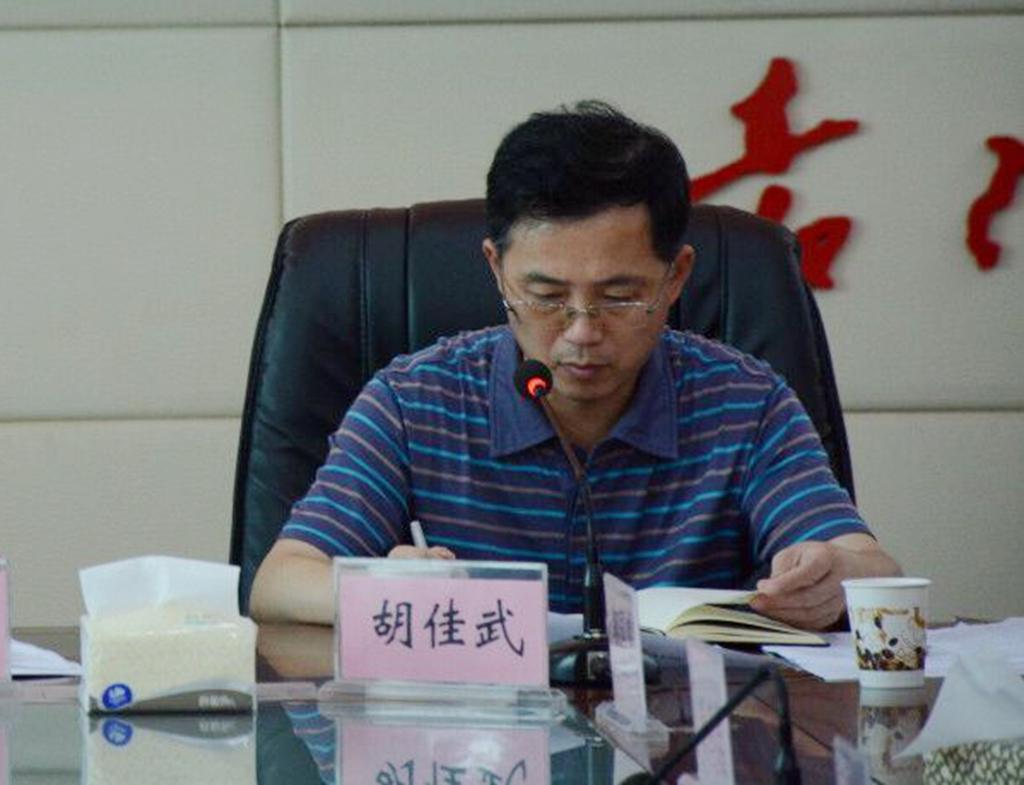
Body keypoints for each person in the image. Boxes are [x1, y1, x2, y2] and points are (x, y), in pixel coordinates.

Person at [249, 101, 900, 629]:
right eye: (546, 296)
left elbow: (869, 564)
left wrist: (835, 576)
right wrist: (379, 587)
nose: (582, 333)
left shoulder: (746, 403)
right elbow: (280, 580)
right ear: (495, 268)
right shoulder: (412, 401)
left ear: (677, 276)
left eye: (620, 296)